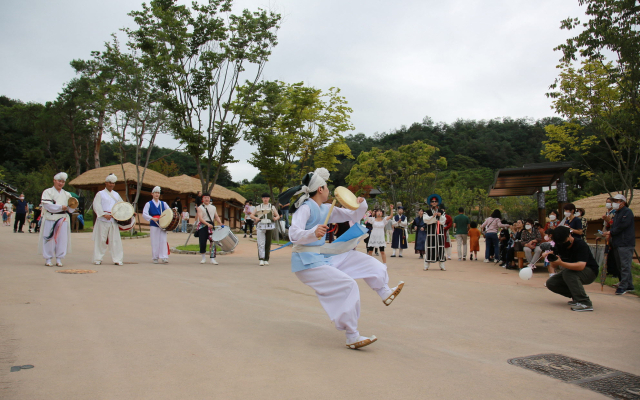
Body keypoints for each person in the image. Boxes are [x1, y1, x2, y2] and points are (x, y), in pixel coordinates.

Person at [279, 167, 403, 349]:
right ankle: (352, 335)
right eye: (326, 186)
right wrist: (313, 232)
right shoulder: (305, 208)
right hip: (307, 262)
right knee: (348, 285)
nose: (329, 189)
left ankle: (384, 290)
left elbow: (352, 215)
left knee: (359, 259)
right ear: (320, 189)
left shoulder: (326, 208)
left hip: (322, 256)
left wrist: (359, 204)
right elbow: (294, 233)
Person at [545, 226, 599, 312]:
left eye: (565, 241)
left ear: (569, 235)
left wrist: (561, 263)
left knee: (568, 273)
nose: (563, 243)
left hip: (590, 271)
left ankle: (585, 303)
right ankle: (576, 297)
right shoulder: (559, 244)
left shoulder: (580, 245)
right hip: (572, 271)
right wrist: (553, 260)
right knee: (551, 282)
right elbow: (554, 266)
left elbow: (581, 266)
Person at [38, 172, 76, 267]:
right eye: (59, 181)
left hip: (62, 219)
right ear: (54, 181)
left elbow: (71, 208)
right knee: (49, 238)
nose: (61, 183)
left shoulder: (67, 194)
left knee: (62, 239)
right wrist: (60, 207)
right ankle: (48, 258)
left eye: (63, 182)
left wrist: (72, 206)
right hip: (51, 217)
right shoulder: (48, 192)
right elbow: (48, 205)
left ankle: (59, 258)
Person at [603, 194, 636, 295]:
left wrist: (611, 233)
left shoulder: (627, 212)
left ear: (623, 202)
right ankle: (628, 284)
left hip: (625, 242)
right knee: (620, 264)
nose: (614, 203)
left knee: (625, 265)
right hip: (617, 242)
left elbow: (622, 226)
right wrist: (609, 231)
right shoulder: (616, 213)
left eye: (617, 201)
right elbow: (614, 226)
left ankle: (623, 286)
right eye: (614, 201)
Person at [92, 174, 127, 265]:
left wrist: (129, 212)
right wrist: (103, 214)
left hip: (113, 220)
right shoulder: (100, 194)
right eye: (110, 183)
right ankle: (98, 258)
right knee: (101, 240)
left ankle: (117, 259)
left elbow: (121, 205)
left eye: (113, 183)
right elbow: (96, 205)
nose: (112, 185)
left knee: (115, 241)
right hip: (102, 220)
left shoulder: (116, 194)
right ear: (106, 183)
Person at [142, 186, 170, 264]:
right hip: (154, 224)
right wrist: (151, 218)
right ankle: (155, 257)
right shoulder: (149, 203)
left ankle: (164, 257)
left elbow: (169, 211)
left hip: (162, 224)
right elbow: (144, 214)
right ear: (152, 194)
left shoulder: (163, 203)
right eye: (155, 193)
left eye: (158, 193)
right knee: (155, 241)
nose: (157, 194)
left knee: (163, 240)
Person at [250, 194, 280, 266]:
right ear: (262, 199)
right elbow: (251, 215)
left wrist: (276, 218)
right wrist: (256, 218)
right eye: (264, 198)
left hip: (269, 226)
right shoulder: (258, 207)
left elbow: (277, 215)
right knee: (261, 242)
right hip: (261, 225)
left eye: (266, 198)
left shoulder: (272, 207)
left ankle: (266, 259)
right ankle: (261, 259)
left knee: (268, 242)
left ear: (269, 198)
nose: (265, 199)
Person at [196, 194, 223, 264]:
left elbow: (216, 216)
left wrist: (220, 222)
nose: (206, 199)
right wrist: (207, 224)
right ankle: (203, 258)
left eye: (208, 198)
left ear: (210, 198)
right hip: (203, 225)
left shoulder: (213, 207)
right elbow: (200, 218)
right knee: (202, 242)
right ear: (202, 199)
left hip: (211, 225)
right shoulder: (200, 207)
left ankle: (212, 259)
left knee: (213, 242)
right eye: (205, 198)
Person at [423, 194, 447, 271]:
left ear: (437, 203)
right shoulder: (427, 212)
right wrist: (433, 217)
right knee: (430, 247)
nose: (434, 203)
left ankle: (442, 265)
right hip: (431, 233)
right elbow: (426, 220)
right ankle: (426, 265)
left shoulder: (441, 212)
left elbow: (443, 221)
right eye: (432, 201)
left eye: (435, 201)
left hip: (439, 232)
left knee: (440, 247)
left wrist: (440, 216)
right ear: (430, 203)